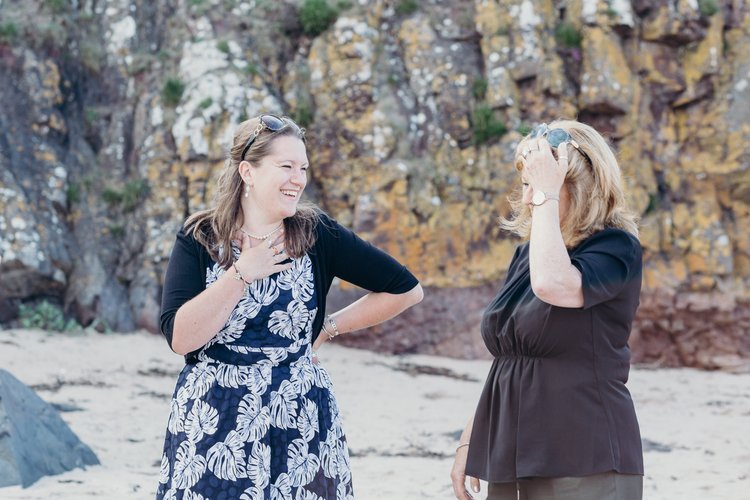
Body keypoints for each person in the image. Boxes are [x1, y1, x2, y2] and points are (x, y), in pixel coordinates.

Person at [156, 114, 423, 500]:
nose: (298, 178)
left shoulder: (318, 235)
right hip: (213, 419)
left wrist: (326, 330)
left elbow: (405, 290)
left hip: (298, 415)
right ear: (247, 172)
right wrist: (242, 274)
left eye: (303, 168)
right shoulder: (200, 238)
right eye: (286, 167)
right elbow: (181, 338)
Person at [450, 120, 644, 500]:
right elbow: (508, 360)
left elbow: (554, 286)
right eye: (526, 185)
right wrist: (468, 445)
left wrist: (545, 194)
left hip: (584, 457)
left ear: (580, 188)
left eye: (537, 186)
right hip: (515, 453)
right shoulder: (527, 256)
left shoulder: (616, 248)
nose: (527, 200)